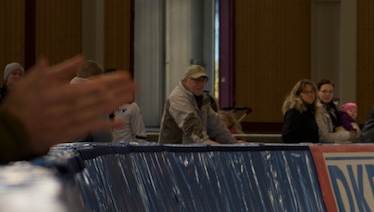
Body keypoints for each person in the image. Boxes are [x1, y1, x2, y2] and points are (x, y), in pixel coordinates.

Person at [1, 55, 136, 164]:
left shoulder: (59, 97)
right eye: (14, 74)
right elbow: (103, 140)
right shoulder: (94, 99)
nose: (17, 77)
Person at [158, 64, 237, 144]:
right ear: (185, 80)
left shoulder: (203, 99)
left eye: (203, 80)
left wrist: (234, 144)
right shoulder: (178, 97)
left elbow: (216, 125)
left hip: (191, 149)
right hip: (173, 150)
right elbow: (190, 123)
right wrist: (206, 142)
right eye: (196, 80)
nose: (200, 84)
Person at [281, 79, 321, 144]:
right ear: (298, 94)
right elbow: (287, 136)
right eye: (306, 92)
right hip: (299, 149)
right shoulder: (294, 111)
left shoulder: (310, 111)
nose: (310, 94)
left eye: (312, 91)